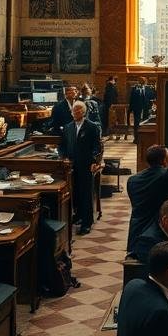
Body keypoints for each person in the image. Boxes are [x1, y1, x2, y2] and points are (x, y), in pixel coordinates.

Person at [59, 101, 102, 235]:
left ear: (83, 112)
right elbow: (62, 146)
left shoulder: (92, 127)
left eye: (78, 111)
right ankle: (78, 216)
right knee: (75, 192)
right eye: (73, 111)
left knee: (85, 194)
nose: (75, 113)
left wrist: (95, 161)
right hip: (71, 166)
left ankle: (87, 223)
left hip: (86, 165)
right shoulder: (67, 127)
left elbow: (97, 146)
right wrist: (63, 157)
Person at [127, 77, 149, 144]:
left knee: (145, 124)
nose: (141, 82)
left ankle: (144, 139)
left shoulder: (148, 89)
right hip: (137, 109)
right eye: (140, 81)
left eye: (142, 81)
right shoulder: (134, 89)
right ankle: (136, 139)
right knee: (136, 124)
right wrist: (130, 109)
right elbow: (131, 99)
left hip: (146, 109)